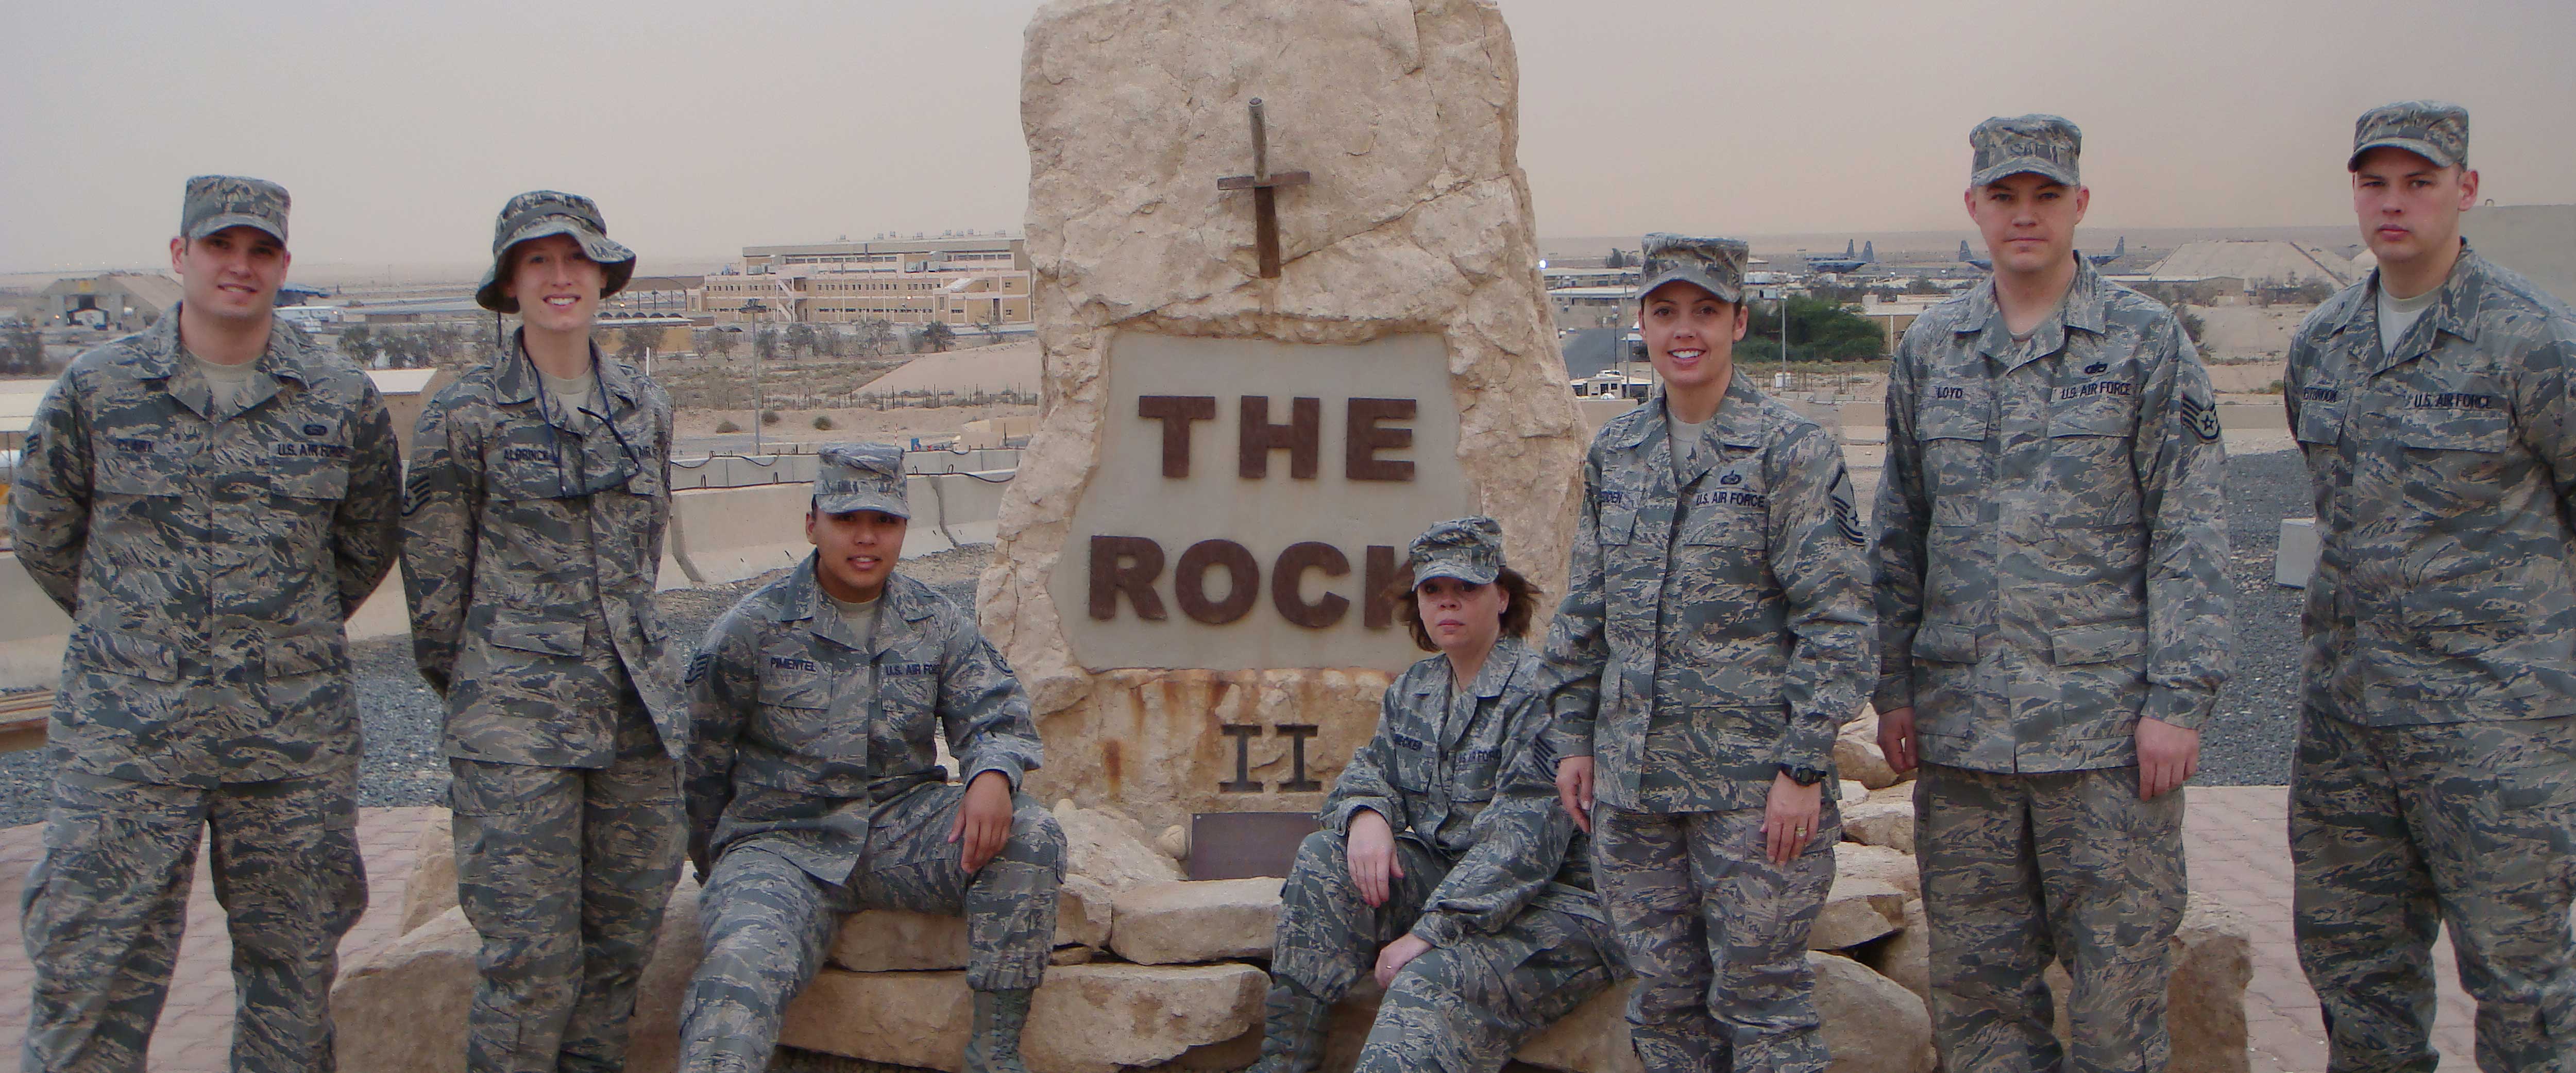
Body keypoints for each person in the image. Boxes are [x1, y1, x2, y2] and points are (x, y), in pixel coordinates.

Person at [9, 176, 403, 1072]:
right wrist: (135, 624)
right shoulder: (97, 389)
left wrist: (277, 631)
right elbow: (42, 529)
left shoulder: (338, 398)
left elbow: (366, 540)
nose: (240, 266)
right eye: (221, 246)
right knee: (91, 972)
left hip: (288, 742)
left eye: (261, 250)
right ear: (180, 255)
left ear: (284, 265)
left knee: (294, 983)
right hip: (127, 738)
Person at [1872, 115, 2233, 1072]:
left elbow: (2190, 531)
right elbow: (1900, 533)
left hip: (2108, 740)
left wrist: (2180, 700)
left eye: (2044, 196)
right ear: (1974, 208)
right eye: (2004, 197)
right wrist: (1894, 688)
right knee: (1984, 1010)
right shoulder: (1932, 349)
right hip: (1965, 740)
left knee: (2117, 1009)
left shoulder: (2147, 344)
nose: (2024, 216)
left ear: (2080, 204)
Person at [2284, 101, 2576, 1073]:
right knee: (2356, 983)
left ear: (2468, 190)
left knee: (2524, 988)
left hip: (2494, 732)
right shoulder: (2324, 341)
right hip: (2350, 730)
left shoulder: (2534, 341)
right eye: (2376, 183)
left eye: (2420, 181)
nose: (2394, 203)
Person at [1547, 234, 1875, 1072]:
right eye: (1665, 312)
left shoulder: (1790, 451)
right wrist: (1576, 740)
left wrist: (1804, 767)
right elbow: (1585, 611)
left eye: (1703, 311)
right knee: (1664, 1003)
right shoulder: (1616, 454)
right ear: (1643, 325)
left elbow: (1837, 620)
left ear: (1738, 319)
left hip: (1752, 791)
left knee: (1762, 1006)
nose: (1683, 330)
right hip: (1636, 787)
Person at [400, 190, 687, 1072]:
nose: (560, 278)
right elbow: (435, 595)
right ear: (510, 283)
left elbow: (642, 565)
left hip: (637, 726)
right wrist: (499, 692)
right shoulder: (465, 415)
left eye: (576, 260)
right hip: (517, 732)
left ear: (602, 275)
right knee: (530, 965)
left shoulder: (645, 405)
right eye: (538, 262)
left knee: (616, 953)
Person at [678, 442, 1059, 1073]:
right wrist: (721, 870)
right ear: (811, 523)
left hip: (897, 829)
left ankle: (994, 1053)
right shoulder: (752, 629)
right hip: (782, 842)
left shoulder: (933, 620)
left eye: (884, 521)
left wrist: (992, 772)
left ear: (904, 528)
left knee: (1030, 832)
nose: (865, 538)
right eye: (846, 519)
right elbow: (698, 761)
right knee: (737, 972)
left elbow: (995, 712)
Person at [1250, 517, 1620, 1073]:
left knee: (1426, 981)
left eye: (1464, 589)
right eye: (1432, 591)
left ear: (1500, 597)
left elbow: (1520, 848)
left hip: (1552, 907)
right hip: (1449, 881)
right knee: (1323, 860)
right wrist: (1368, 815)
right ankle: (1283, 1064)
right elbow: (1366, 773)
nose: (1447, 604)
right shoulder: (1416, 689)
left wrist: (1427, 934)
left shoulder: (1543, 692)